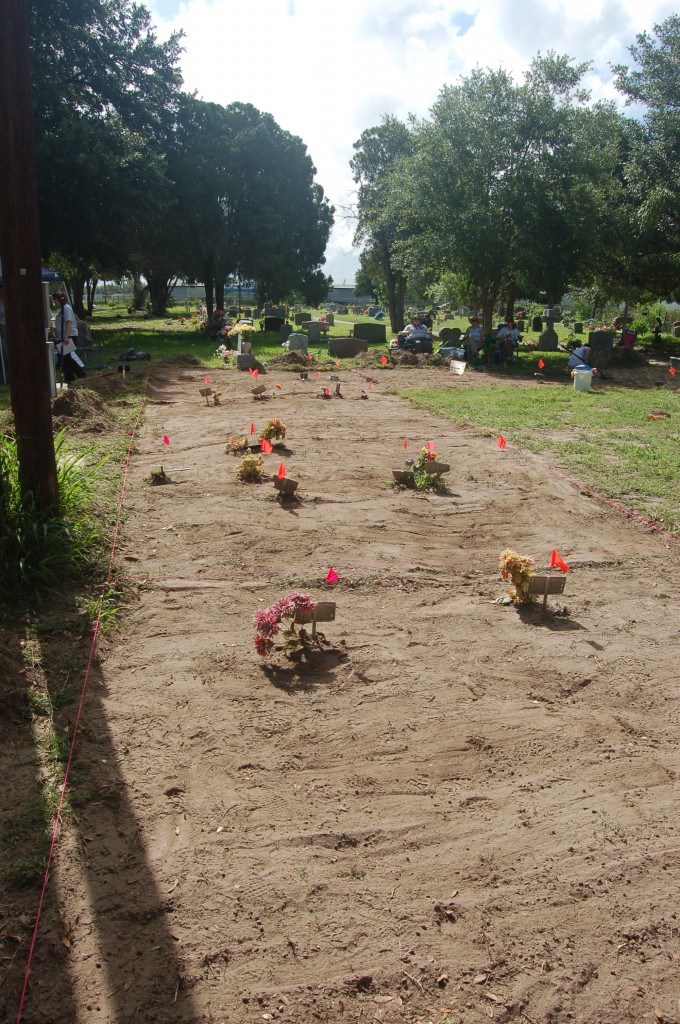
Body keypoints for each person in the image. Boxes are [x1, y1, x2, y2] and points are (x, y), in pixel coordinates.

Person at [51, 291, 86, 383]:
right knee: (65, 356)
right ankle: (74, 375)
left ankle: (75, 375)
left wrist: (66, 336)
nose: (54, 302)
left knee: (66, 357)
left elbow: (69, 322)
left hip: (69, 335)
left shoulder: (66, 308)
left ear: (58, 299)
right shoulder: (60, 309)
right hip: (63, 336)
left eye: (54, 300)